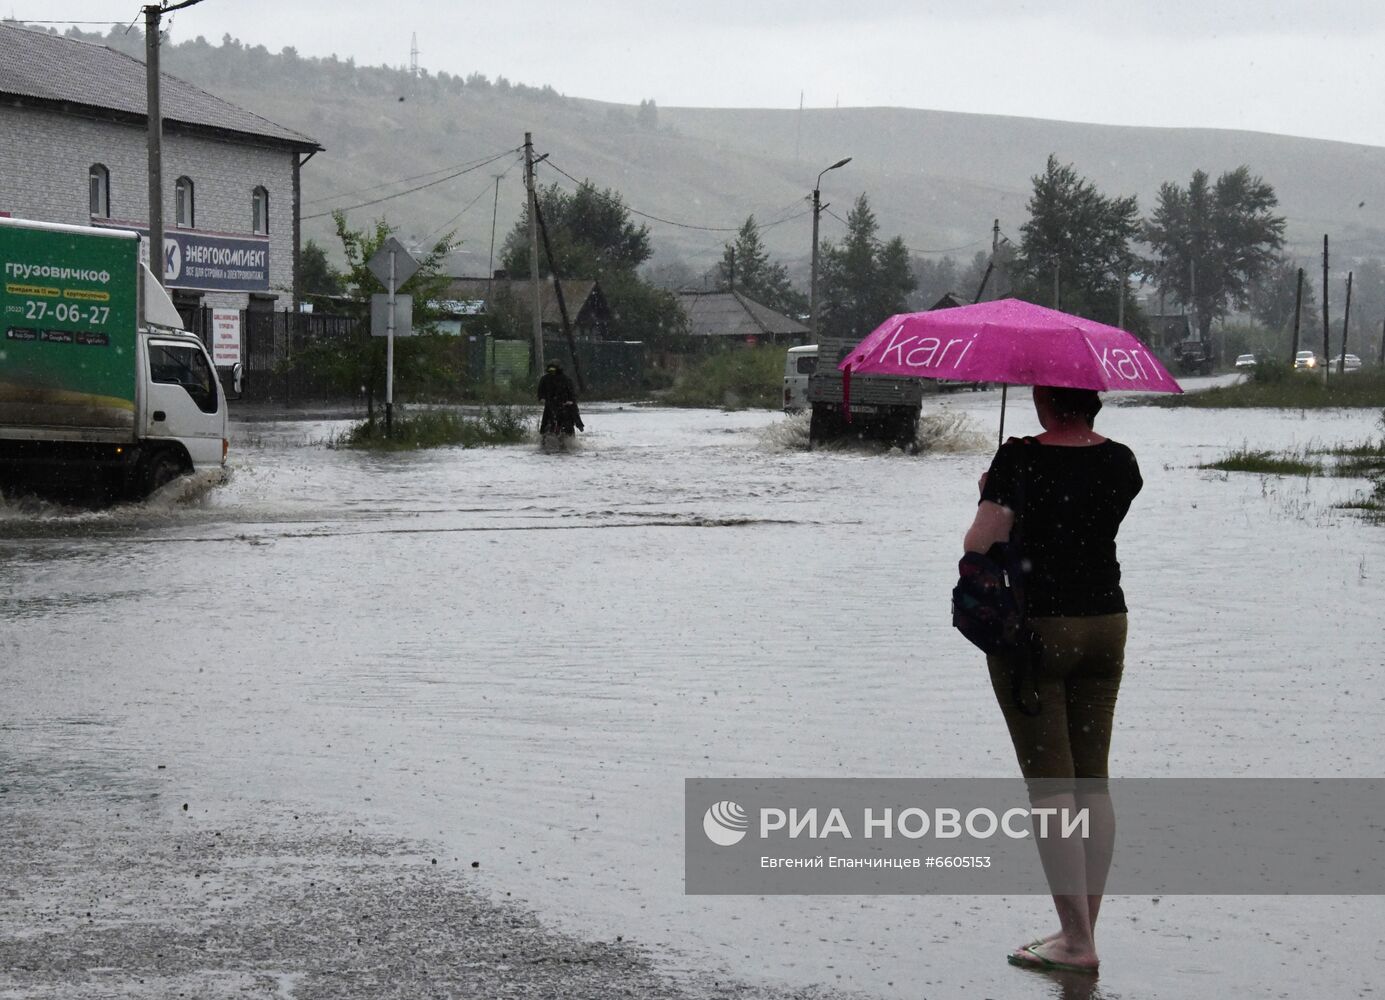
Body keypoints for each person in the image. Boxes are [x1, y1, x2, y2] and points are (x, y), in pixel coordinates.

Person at [962, 385, 1143, 976]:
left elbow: (981, 542)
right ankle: (1082, 929)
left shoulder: (1020, 457)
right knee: (1093, 781)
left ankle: (1074, 939)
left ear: (1044, 397)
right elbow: (1083, 519)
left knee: (1051, 788)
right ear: (1094, 398)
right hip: (1106, 626)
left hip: (1038, 632)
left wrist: (991, 492)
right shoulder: (1121, 460)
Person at [537, 361, 583, 438]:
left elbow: (572, 394)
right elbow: (540, 392)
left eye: (553, 370)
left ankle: (576, 430)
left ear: (558, 370)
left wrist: (570, 401)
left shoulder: (566, 379)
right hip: (550, 406)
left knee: (569, 426)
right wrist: (542, 398)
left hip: (565, 406)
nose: (552, 372)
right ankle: (545, 442)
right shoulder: (545, 379)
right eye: (550, 370)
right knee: (545, 428)